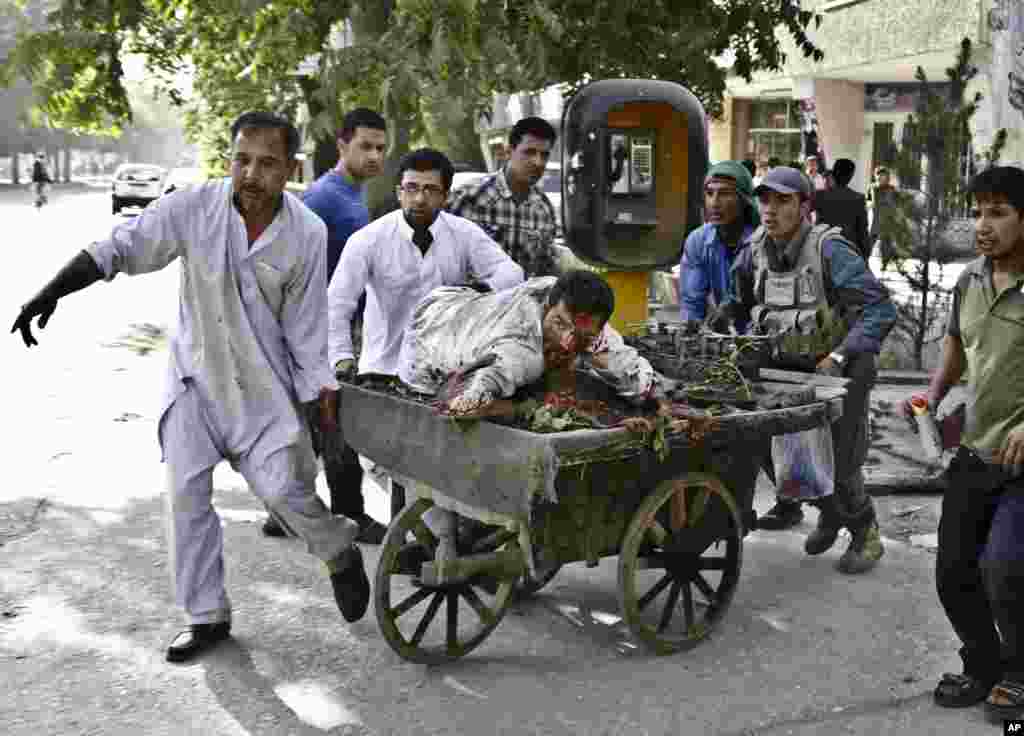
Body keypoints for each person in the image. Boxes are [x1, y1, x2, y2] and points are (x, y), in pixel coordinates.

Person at [9, 111, 371, 663]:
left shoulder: (307, 233)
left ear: (291, 169)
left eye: (267, 163)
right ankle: (206, 616)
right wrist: (51, 291)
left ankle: (337, 550)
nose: (250, 174)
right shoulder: (194, 206)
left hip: (263, 393)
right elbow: (121, 246)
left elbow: (306, 335)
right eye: (241, 159)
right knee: (185, 497)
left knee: (285, 494)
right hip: (194, 383)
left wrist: (320, 414)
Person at [710, 166, 897, 574]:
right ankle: (828, 512)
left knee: (841, 459)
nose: (771, 210)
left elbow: (880, 309)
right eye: (765, 201)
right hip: (783, 364)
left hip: (840, 365)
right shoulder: (754, 249)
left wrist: (840, 357)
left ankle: (866, 533)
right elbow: (736, 299)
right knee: (770, 450)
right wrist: (721, 318)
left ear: (805, 207)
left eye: (783, 201)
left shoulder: (830, 250)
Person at [328, 148, 525, 520]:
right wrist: (341, 358)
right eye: (411, 188)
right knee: (385, 460)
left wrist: (473, 298)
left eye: (431, 190)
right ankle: (419, 534)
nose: (420, 198)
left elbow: (510, 275)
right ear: (399, 191)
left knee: (433, 459)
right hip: (381, 371)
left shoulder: (462, 234)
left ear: (445, 195)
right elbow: (336, 305)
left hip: (441, 372)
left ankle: (427, 542)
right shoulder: (369, 240)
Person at [899, 166, 1024, 723]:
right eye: (977, 212)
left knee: (1005, 567)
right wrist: (932, 394)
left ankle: (1019, 673)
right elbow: (956, 341)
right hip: (977, 448)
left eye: (997, 213)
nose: (982, 225)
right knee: (952, 570)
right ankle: (984, 663)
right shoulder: (970, 280)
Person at [260, 108, 389, 543]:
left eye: (380, 148)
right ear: (342, 145)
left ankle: (284, 511)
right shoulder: (324, 197)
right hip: (315, 329)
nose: (374, 156)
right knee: (336, 421)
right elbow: (284, 257)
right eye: (365, 146)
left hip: (334, 326)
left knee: (317, 424)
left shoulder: (353, 195)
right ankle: (349, 513)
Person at [399, 270, 671, 425]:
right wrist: (475, 398)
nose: (567, 343)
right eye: (559, 325)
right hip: (430, 329)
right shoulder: (522, 345)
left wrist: (654, 394)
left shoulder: (582, 320)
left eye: (582, 337)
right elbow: (486, 382)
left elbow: (624, 363)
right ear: (547, 306)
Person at [447, 116, 559, 278]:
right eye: (529, 152)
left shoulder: (544, 210)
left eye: (544, 155)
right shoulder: (468, 197)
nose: (538, 162)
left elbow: (544, 270)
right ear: (509, 152)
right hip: (473, 300)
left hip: (522, 301)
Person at [678, 160, 759, 333]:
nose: (714, 203)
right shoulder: (698, 241)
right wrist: (693, 334)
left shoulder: (762, 242)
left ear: (744, 200)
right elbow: (692, 303)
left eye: (724, 194)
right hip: (722, 338)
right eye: (709, 193)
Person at [813, 158, 870, 261]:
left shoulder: (819, 196)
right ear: (851, 176)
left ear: (833, 174)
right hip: (849, 250)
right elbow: (862, 231)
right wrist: (865, 254)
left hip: (823, 249)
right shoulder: (858, 198)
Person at [867, 166, 899, 266]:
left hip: (887, 220)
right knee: (869, 243)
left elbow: (895, 204)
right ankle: (864, 261)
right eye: (879, 175)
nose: (881, 177)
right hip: (875, 220)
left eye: (883, 175)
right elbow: (868, 201)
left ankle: (884, 264)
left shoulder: (892, 189)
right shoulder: (872, 188)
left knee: (886, 244)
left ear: (887, 177)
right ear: (875, 176)